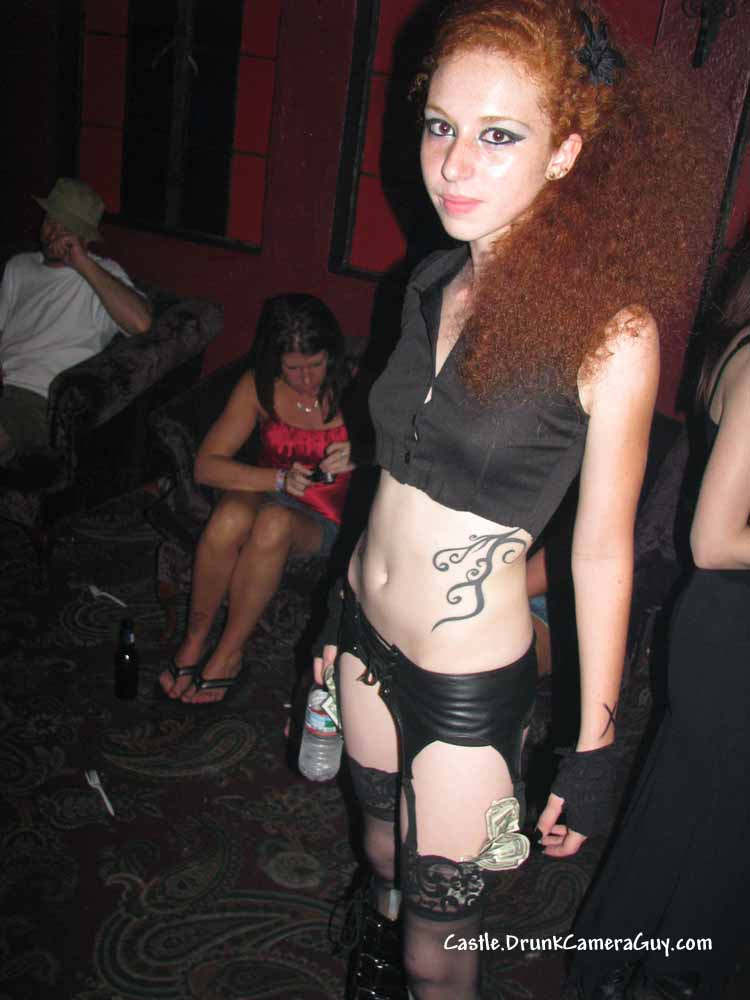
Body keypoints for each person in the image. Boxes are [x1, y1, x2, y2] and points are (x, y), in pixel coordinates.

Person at [309, 2, 715, 998]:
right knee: (378, 851)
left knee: (438, 951)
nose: (453, 164)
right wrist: (332, 614)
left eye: (499, 136)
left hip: (463, 684)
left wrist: (594, 748)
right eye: (440, 125)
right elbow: (388, 485)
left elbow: (601, 552)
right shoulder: (430, 280)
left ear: (567, 152)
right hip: (361, 631)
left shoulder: (611, 334)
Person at [572, 253, 750, 1000]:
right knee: (705, 831)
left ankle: (622, 969)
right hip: (731, 625)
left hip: (725, 622)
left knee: (687, 816)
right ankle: (641, 973)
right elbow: (713, 541)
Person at [159, 293, 355, 705]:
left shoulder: (358, 385)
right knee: (230, 516)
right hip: (273, 490)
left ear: (332, 355)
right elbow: (205, 466)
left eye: (316, 364)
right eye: (293, 368)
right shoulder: (258, 385)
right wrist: (278, 479)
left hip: (328, 515)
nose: (307, 379)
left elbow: (413, 448)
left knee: (274, 522)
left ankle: (228, 654)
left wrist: (361, 452)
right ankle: (194, 640)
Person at [0, 177, 152, 464]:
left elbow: (141, 323)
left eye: (65, 228)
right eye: (50, 220)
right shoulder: (19, 266)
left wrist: (82, 263)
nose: (52, 233)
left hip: (36, 399)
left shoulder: (102, 274)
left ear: (85, 237)